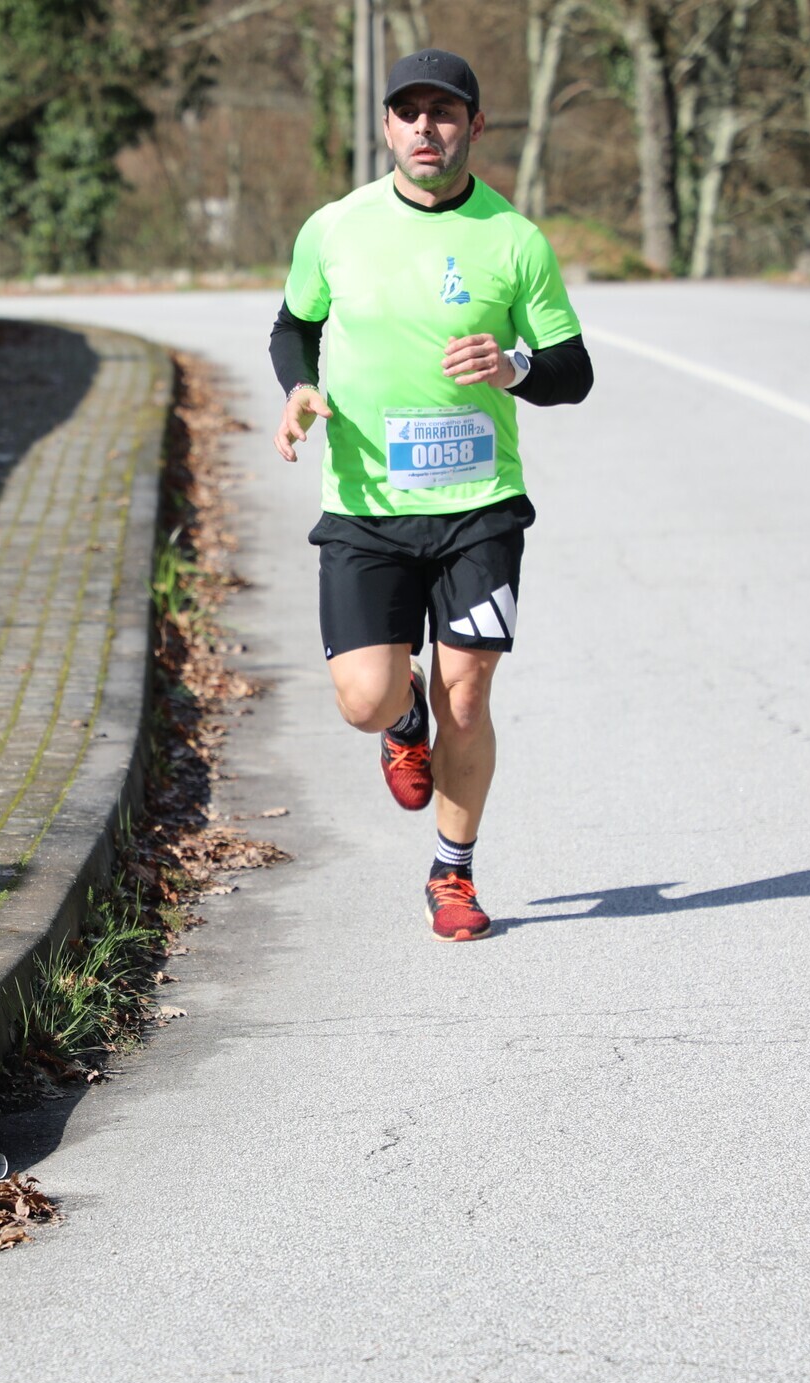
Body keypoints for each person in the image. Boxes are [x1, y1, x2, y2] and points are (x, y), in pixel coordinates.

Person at [269, 47, 594, 941]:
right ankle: (402, 715)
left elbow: (573, 371)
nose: (425, 127)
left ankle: (453, 873)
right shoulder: (335, 229)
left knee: (470, 698)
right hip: (366, 507)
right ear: (385, 126)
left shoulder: (514, 240)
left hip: (479, 506)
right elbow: (293, 326)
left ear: (474, 126)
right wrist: (298, 390)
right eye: (408, 112)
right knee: (365, 700)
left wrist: (516, 366)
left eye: (444, 112)